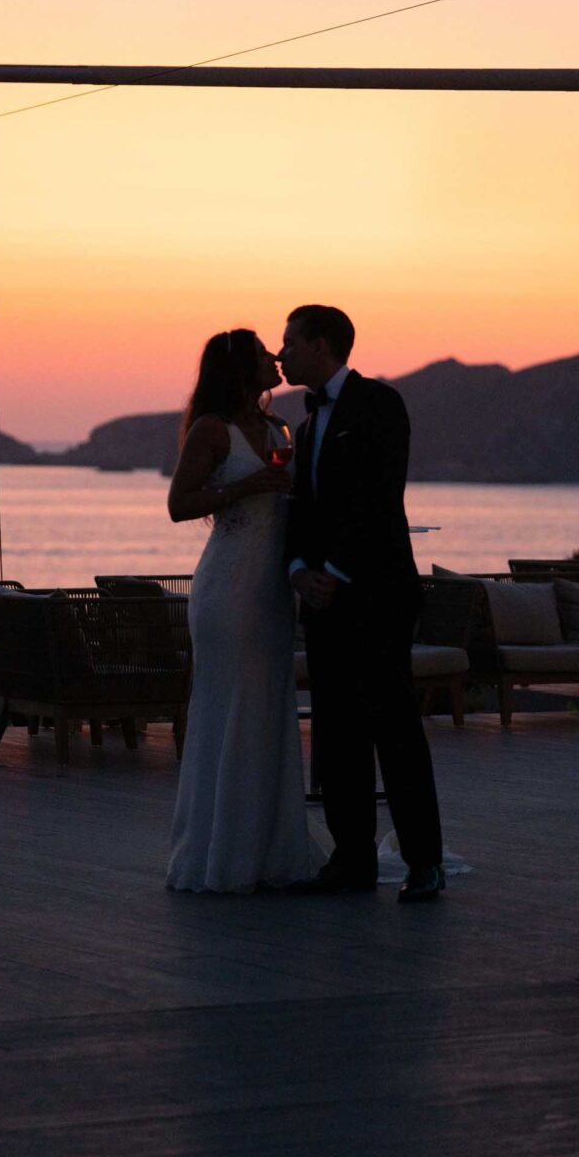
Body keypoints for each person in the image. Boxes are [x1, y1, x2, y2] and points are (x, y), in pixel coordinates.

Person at [279, 304, 445, 902]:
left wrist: (335, 572)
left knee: (394, 728)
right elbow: (301, 509)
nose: (282, 353)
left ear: (321, 345)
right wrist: (299, 570)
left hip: (376, 596)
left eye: (290, 342)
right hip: (324, 603)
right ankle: (352, 859)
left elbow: (378, 496)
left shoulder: (379, 404)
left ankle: (424, 861)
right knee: (337, 732)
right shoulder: (303, 427)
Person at [165, 328, 315, 893]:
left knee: (268, 709)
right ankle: (221, 852)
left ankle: (268, 850)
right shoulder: (212, 429)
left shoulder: (278, 428)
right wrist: (247, 486)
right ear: (239, 369)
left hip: (273, 589)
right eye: (262, 355)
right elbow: (179, 504)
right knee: (227, 709)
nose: (275, 359)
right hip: (228, 587)